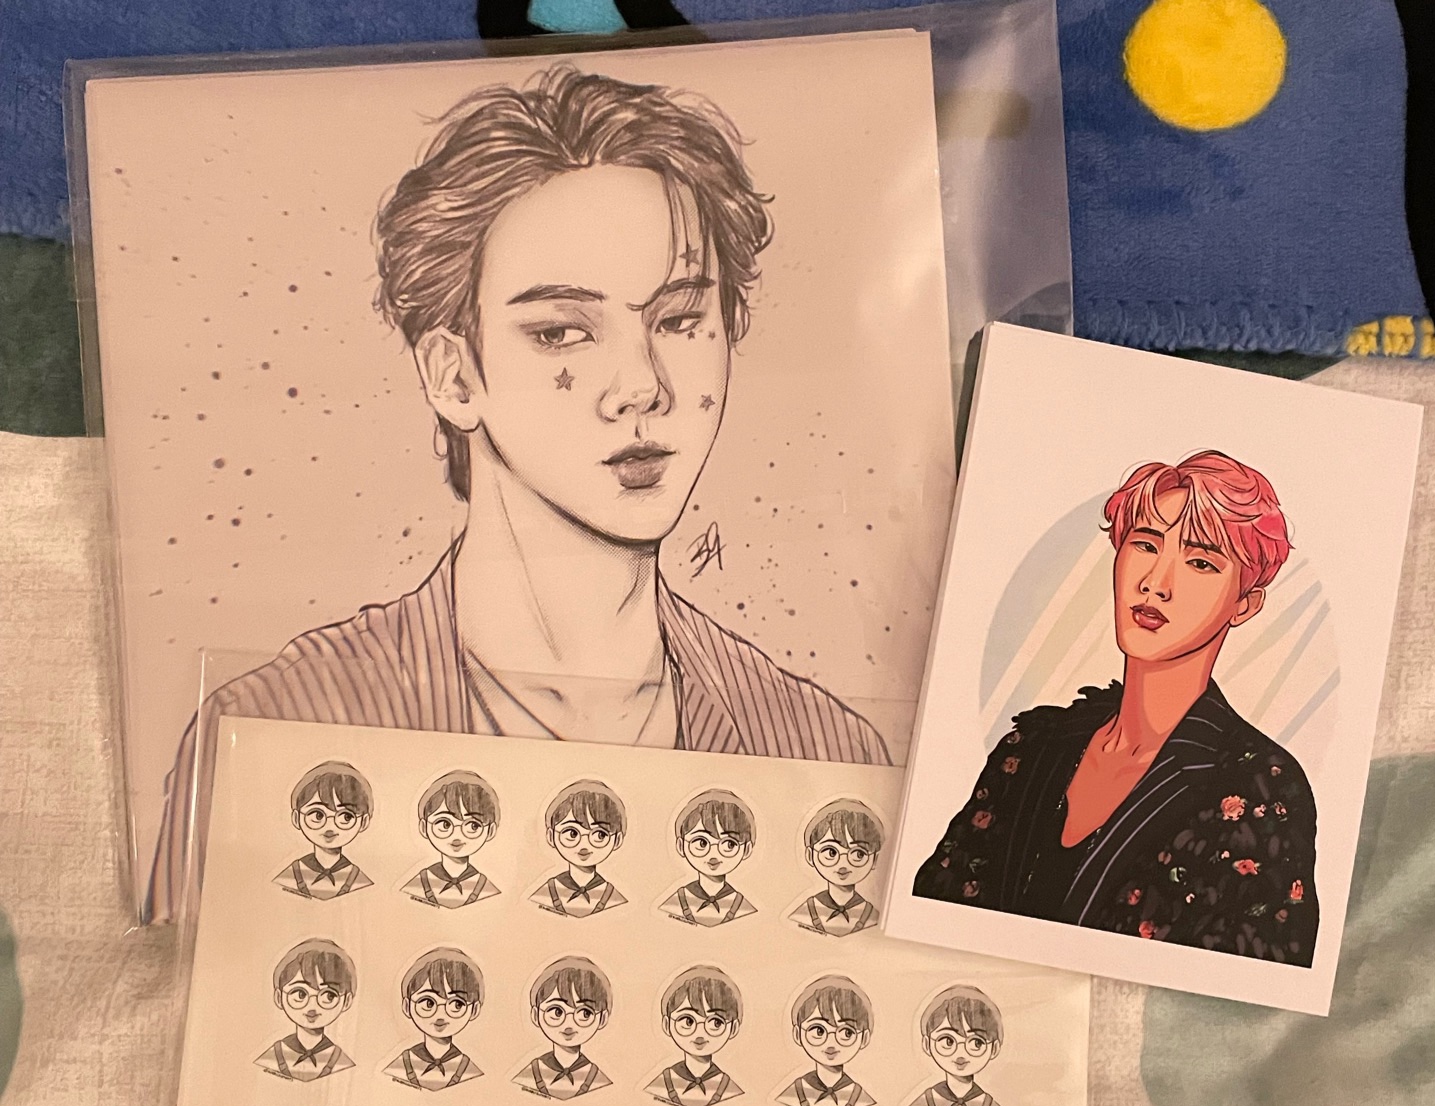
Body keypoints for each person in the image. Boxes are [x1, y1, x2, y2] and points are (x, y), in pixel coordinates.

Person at [146, 65, 887, 923]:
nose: (642, 386)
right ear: (454, 375)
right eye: (562, 332)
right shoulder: (271, 729)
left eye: (680, 320)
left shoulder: (825, 751)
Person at [912, 451, 1320, 964]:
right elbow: (933, 912)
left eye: (1200, 562)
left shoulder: (1260, 784)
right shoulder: (1032, 746)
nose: (1155, 583)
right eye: (1145, 544)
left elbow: (1249, 977)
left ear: (1244, 603)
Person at [253, 939, 357, 1082]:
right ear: (279, 997)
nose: (312, 1006)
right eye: (300, 994)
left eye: (329, 995)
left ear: (347, 1001)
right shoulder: (271, 1057)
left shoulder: (342, 1063)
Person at [906, 985, 1007, 1106]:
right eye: (948, 1041)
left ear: (995, 1048)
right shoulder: (921, 1105)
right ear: (927, 1044)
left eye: (976, 1043)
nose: (961, 1053)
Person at [775, 975, 876, 1106]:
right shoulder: (791, 1095)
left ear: (864, 1038)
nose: (831, 1043)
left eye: (847, 1033)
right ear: (797, 1034)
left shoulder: (863, 1100)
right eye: (819, 1031)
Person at [384, 948, 486, 1091]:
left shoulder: (471, 1072)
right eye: (428, 1003)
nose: (440, 1014)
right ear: (407, 1006)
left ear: (474, 1009)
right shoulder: (399, 1065)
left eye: (457, 1004)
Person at [512, 958, 613, 1100]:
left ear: (602, 1018)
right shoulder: (528, 1075)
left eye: (585, 1013)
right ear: (535, 1015)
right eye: (557, 1012)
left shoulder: (599, 1080)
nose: (569, 1024)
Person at [271, 762, 374, 901]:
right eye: (318, 815)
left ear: (364, 822)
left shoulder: (361, 882)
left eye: (346, 816)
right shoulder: (289, 876)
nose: (330, 826)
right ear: (296, 818)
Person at [645, 968, 743, 1106]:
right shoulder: (659, 1085)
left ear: (733, 1028)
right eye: (688, 1021)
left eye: (716, 1022)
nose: (700, 1033)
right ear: (667, 1024)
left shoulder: (732, 1090)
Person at [401, 770, 500, 909]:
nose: (457, 835)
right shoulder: (416, 885)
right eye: (445, 824)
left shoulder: (488, 890)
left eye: (473, 825)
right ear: (423, 827)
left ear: (490, 831)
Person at [529, 781, 628, 917]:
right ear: (551, 836)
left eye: (600, 835)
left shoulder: (615, 899)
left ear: (617, 840)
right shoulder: (544, 894)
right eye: (572, 833)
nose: (584, 845)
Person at [660, 790, 756, 927]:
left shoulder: (745, 909)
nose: (714, 854)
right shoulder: (673, 903)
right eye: (702, 843)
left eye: (729, 844)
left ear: (746, 849)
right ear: (681, 846)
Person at [790, 800, 882, 937]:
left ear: (874, 859)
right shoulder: (804, 912)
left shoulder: (874, 917)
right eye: (831, 852)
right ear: (810, 855)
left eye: (858, 854)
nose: (843, 864)